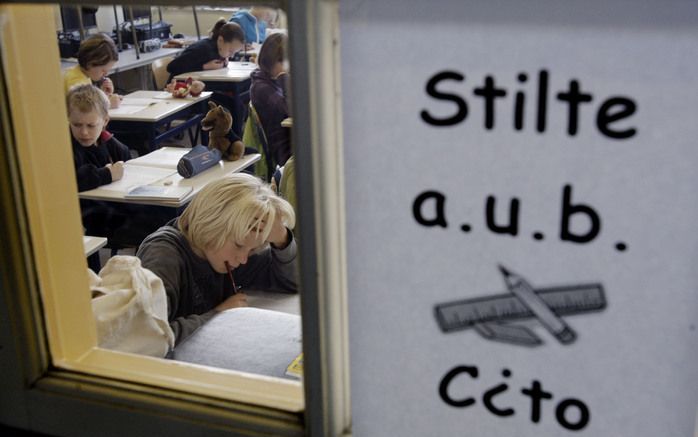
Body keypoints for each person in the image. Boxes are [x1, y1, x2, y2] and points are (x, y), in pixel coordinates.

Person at [136, 174, 298, 345]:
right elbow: (145, 338)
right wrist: (219, 316)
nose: (243, 259)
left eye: (252, 250)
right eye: (239, 245)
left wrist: (282, 238)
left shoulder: (226, 248)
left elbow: (294, 281)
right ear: (213, 225)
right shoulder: (163, 256)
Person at [250, 32, 292, 167]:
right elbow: (289, 109)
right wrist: (284, 78)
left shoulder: (270, 80)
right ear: (273, 61)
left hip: (291, 138)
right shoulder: (261, 87)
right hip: (284, 150)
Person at [166, 19, 245, 82]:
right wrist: (204, 66)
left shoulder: (219, 49)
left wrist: (224, 62)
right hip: (177, 89)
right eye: (231, 51)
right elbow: (172, 67)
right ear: (221, 40)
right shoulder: (202, 49)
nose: (232, 56)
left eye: (234, 52)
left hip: (197, 88)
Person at [63, 33, 122, 109]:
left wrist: (102, 95)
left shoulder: (79, 74)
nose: (106, 74)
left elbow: (88, 101)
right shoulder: (76, 80)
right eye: (103, 70)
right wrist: (108, 102)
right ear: (89, 63)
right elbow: (84, 109)